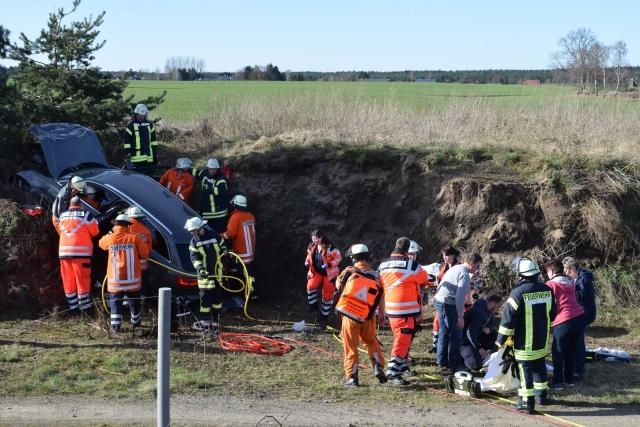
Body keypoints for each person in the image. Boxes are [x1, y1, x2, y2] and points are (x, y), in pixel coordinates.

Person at [497, 257, 556, 414]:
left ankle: (527, 402)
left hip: (524, 343)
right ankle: (541, 396)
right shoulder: (547, 290)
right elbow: (553, 314)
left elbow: (508, 320)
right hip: (542, 340)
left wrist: (501, 340)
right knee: (540, 366)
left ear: (521, 275)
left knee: (524, 370)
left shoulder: (517, 293)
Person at [335, 244, 387, 387]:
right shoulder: (376, 275)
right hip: (368, 316)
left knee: (350, 345)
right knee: (371, 341)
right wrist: (382, 314)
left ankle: (352, 377)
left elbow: (338, 286)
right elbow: (381, 296)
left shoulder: (349, 271)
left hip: (350, 314)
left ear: (353, 258)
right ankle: (378, 366)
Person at [378, 237, 429, 385]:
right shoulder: (412, 266)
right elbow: (424, 278)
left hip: (390, 310)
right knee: (402, 341)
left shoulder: (383, 265)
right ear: (407, 250)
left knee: (400, 339)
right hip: (405, 312)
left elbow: (379, 284)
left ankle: (402, 367)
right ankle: (393, 372)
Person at [98, 213, 150, 332]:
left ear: (116, 224)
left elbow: (101, 243)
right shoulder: (134, 238)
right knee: (134, 301)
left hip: (115, 280)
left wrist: (110, 233)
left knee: (116, 302)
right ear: (128, 225)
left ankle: (116, 327)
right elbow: (145, 253)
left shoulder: (110, 238)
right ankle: (136, 323)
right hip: (133, 279)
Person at [433, 252, 482, 372]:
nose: (478, 269)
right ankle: (455, 365)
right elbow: (459, 298)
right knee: (456, 335)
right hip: (448, 304)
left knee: (444, 332)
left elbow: (441, 284)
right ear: (471, 263)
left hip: (439, 300)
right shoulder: (464, 275)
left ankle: (441, 361)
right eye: (477, 266)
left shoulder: (456, 267)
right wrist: (460, 316)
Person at [53, 196, 100, 314]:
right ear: (81, 205)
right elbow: (95, 231)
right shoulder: (86, 215)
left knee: (68, 280)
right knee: (82, 279)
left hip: (63, 254)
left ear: (70, 205)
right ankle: (85, 310)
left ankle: (73, 308)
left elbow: (58, 228)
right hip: (81, 255)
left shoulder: (62, 216)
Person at [545, 258, 585, 390]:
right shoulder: (570, 282)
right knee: (571, 350)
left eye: (547, 272)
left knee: (558, 351)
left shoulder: (551, 284)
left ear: (551, 271)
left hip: (565, 319)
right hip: (579, 318)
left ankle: (557, 382)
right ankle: (569, 379)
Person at [185, 216, 227, 334]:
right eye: (191, 231)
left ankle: (216, 320)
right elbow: (194, 257)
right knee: (205, 300)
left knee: (217, 299)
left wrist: (224, 251)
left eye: (193, 230)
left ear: (199, 228)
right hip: (205, 276)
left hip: (217, 273)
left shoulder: (213, 235)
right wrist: (200, 269)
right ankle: (204, 321)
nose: (192, 233)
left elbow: (222, 244)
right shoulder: (194, 241)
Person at [562, 256, 595, 380]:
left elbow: (580, 295)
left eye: (567, 270)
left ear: (572, 268)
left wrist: (568, 288)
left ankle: (578, 370)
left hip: (584, 313)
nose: (566, 273)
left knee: (578, 342)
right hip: (582, 312)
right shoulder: (579, 277)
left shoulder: (584, 278)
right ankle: (579, 367)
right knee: (579, 341)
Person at [221, 194, 257, 304]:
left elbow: (230, 234)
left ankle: (239, 295)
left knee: (237, 274)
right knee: (249, 274)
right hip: (250, 252)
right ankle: (253, 296)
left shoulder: (235, 217)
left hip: (240, 253)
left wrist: (219, 236)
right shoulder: (251, 216)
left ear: (235, 205)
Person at [304, 229, 342, 329]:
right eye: (313, 238)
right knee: (310, 286)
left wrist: (329, 264)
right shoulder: (312, 246)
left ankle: (324, 315)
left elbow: (339, 258)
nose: (314, 240)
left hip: (330, 274)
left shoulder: (330, 248)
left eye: (316, 238)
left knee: (327, 295)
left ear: (321, 237)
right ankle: (313, 305)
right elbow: (309, 256)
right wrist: (307, 262)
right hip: (316, 271)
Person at [430, 246, 461, 353]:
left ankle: (449, 348)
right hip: (442, 299)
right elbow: (439, 278)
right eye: (443, 255)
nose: (445, 258)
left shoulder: (459, 267)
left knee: (451, 326)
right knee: (437, 322)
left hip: (454, 301)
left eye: (447, 255)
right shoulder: (445, 267)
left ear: (453, 255)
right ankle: (435, 345)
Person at [461, 294, 503, 371]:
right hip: (465, 340)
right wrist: (479, 348)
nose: (498, 309)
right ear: (493, 303)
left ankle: (487, 354)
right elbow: (470, 334)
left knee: (495, 335)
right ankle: (461, 355)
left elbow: (492, 324)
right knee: (475, 365)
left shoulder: (489, 310)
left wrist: (489, 328)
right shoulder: (479, 312)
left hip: (477, 335)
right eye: (498, 307)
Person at [192, 158, 230, 232]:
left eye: (214, 169)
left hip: (218, 216)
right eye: (210, 169)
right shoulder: (205, 172)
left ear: (217, 168)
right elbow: (197, 173)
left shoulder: (221, 179)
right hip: (207, 214)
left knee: (218, 234)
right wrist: (187, 169)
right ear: (208, 168)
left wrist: (209, 187)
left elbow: (221, 191)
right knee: (207, 234)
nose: (212, 171)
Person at [123, 103, 158, 174]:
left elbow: (153, 141)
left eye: (143, 114)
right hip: (136, 159)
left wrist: (155, 154)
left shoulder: (149, 125)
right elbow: (127, 141)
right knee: (137, 178)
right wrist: (128, 153)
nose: (142, 116)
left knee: (149, 178)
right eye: (140, 114)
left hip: (149, 158)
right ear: (136, 113)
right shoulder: (131, 125)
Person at [125, 206, 153, 271]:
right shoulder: (147, 231)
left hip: (124, 261)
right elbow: (149, 250)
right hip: (139, 265)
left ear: (130, 217)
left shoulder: (124, 227)